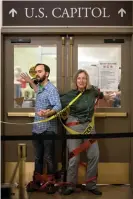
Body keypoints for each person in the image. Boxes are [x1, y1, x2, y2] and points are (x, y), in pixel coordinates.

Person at [60, 69, 111, 196]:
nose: (81, 81)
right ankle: (70, 185)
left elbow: (101, 95)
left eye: (84, 78)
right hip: (74, 127)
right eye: (79, 78)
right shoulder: (69, 95)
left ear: (87, 80)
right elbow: (56, 104)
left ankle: (91, 185)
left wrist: (104, 96)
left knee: (94, 155)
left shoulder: (92, 91)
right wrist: (47, 112)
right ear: (75, 81)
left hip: (89, 127)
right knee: (74, 158)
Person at [20, 63, 62, 183]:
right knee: (38, 157)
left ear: (46, 74)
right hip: (37, 128)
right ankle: (37, 181)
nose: (37, 74)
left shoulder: (51, 89)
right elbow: (37, 90)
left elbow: (58, 105)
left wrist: (49, 113)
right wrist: (29, 80)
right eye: (36, 72)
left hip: (48, 129)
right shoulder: (41, 87)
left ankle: (50, 182)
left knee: (48, 157)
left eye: (40, 71)